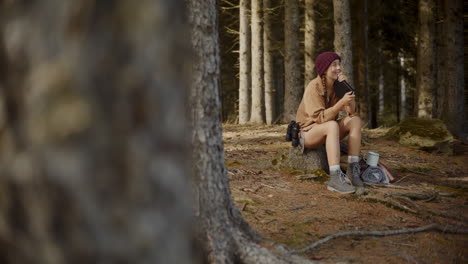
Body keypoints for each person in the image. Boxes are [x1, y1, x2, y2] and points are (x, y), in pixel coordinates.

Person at [296, 51, 363, 194]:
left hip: (327, 130)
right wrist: (340, 104)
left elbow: (351, 112)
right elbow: (319, 118)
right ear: (324, 69)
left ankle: (353, 171)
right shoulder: (313, 87)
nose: (338, 68)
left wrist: (346, 89)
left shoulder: (337, 86)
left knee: (355, 121)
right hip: (308, 132)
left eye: (339, 64)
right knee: (332, 125)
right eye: (334, 65)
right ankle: (334, 178)